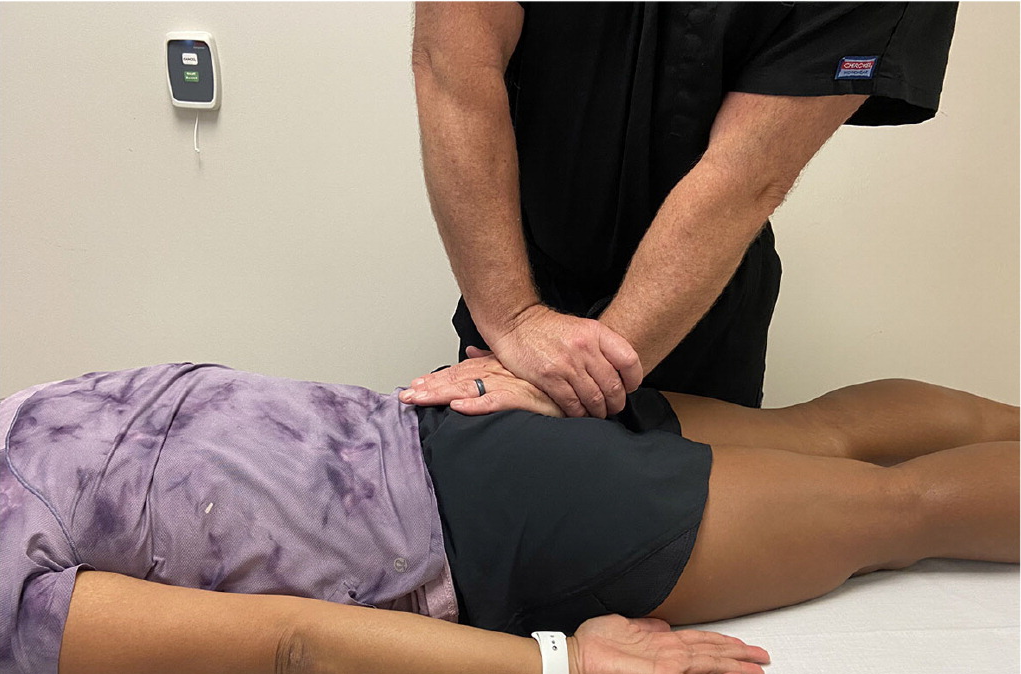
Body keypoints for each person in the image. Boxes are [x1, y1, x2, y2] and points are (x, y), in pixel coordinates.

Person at [0, 356, 1016, 674]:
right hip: (466, 413)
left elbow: (290, 648)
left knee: (900, 513)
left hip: (498, 519)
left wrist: (564, 669)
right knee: (824, 433)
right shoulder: (21, 413)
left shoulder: (11, 588)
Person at [410, 3, 959, 417]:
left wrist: (584, 378)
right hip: (516, 289)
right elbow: (453, 69)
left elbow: (745, 175)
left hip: (696, 317)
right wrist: (515, 318)